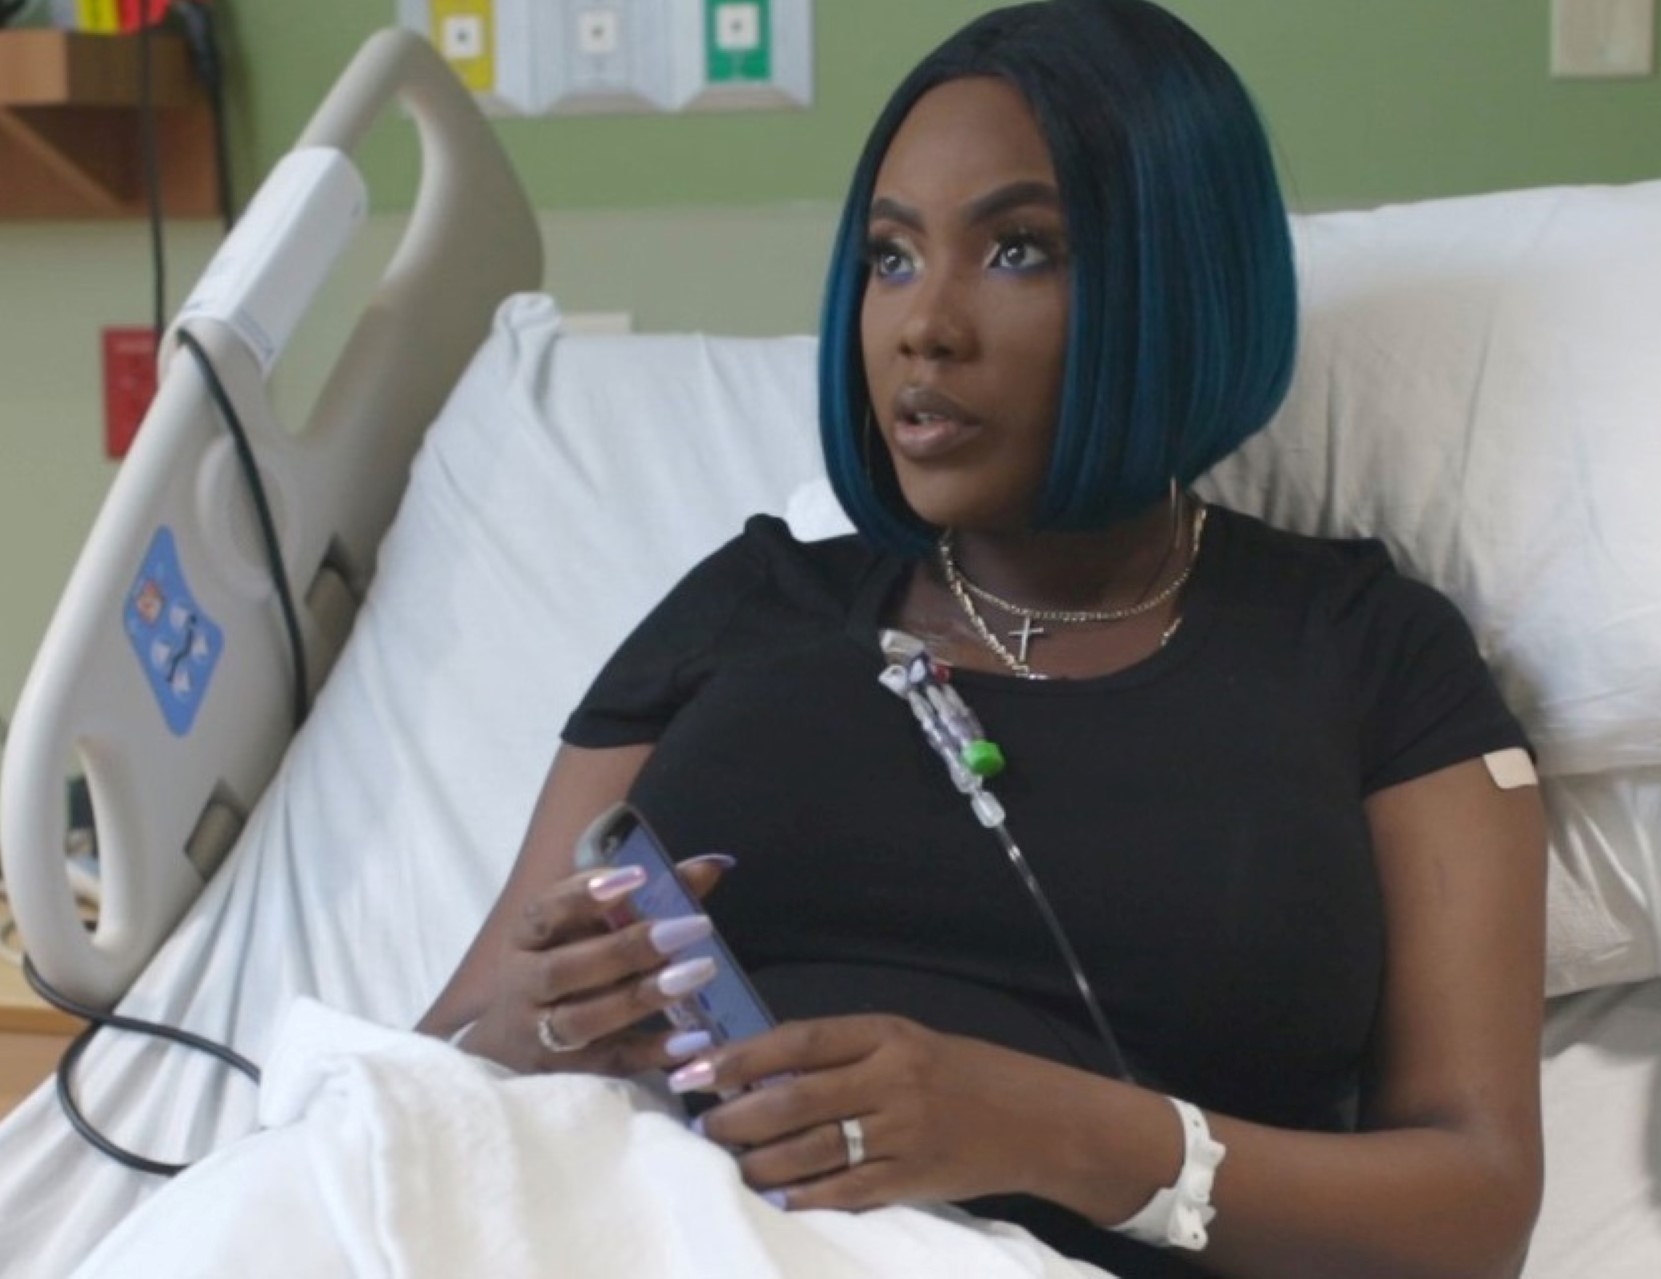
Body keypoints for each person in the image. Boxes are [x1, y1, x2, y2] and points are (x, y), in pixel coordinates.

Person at [420, 2, 1548, 1276]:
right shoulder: (752, 602)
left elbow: (1477, 1212)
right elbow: (439, 1055)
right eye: (892, 258)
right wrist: (533, 1019)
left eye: (1016, 251)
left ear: (1179, 284)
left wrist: (1043, 1128)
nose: (922, 326)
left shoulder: (1364, 656)